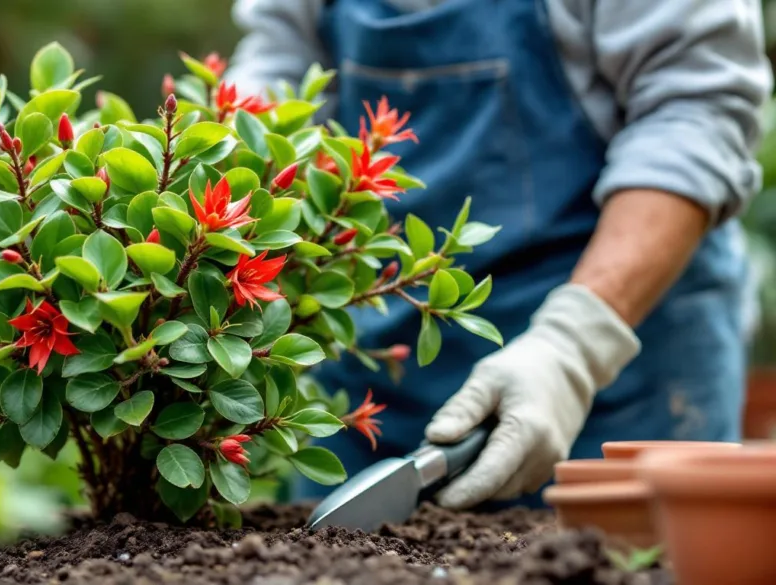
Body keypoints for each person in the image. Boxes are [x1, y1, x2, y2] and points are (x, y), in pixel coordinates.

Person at [223, 0, 773, 509]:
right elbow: (281, 62)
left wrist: (572, 349)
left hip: (621, 375)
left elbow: (695, 110)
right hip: (378, 372)